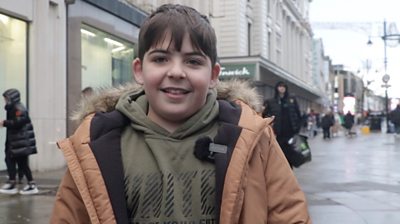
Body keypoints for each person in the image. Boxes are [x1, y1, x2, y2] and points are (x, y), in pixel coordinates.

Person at [51, 4, 310, 223]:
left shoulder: (252, 138)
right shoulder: (95, 144)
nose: (176, 72)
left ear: (213, 76)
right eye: (161, 59)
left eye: (193, 61)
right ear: (139, 70)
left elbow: (289, 214)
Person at [0, 88, 38, 195]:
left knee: (22, 164)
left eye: (6, 98)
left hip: (20, 142)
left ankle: (30, 185)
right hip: (16, 142)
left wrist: (5, 123)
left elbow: (20, 121)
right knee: (10, 160)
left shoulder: (18, 108)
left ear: (11, 98)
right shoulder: (12, 108)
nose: (5, 101)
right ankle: (13, 183)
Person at [262, 81, 302, 168]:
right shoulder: (271, 101)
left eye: (283, 86)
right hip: (279, 132)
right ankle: (284, 169)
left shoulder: (292, 99)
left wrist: (298, 127)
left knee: (291, 151)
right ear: (277, 88)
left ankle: (290, 168)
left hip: (291, 131)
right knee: (281, 152)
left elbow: (298, 114)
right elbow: (264, 115)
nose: (282, 88)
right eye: (280, 86)